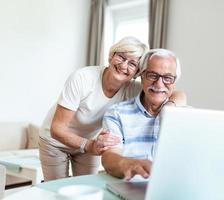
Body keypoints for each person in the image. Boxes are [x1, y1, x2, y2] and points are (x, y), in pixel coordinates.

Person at [39, 37, 186, 181]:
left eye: (132, 64)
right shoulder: (83, 78)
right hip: (56, 141)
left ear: (137, 73)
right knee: (57, 190)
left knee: (87, 189)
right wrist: (90, 145)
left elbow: (175, 93)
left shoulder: (134, 88)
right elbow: (57, 129)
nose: (124, 65)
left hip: (90, 142)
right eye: (121, 57)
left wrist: (170, 107)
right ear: (111, 56)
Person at [101, 48, 181, 180]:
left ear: (174, 82)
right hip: (130, 186)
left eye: (167, 78)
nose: (159, 83)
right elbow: (109, 158)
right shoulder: (116, 114)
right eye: (152, 75)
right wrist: (128, 163)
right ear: (142, 76)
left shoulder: (187, 115)